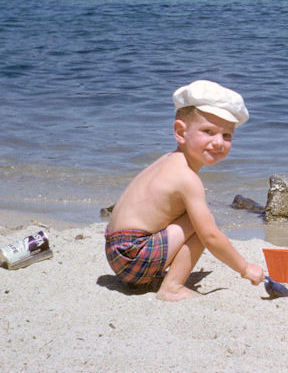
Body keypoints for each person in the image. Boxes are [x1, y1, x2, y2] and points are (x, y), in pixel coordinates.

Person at [105, 80, 265, 301]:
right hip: (133, 257)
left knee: (194, 217)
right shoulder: (187, 178)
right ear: (180, 132)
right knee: (203, 226)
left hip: (117, 251)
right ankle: (172, 288)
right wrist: (245, 268)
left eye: (227, 136)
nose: (219, 142)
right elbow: (211, 237)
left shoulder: (169, 161)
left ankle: (161, 278)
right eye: (208, 131)